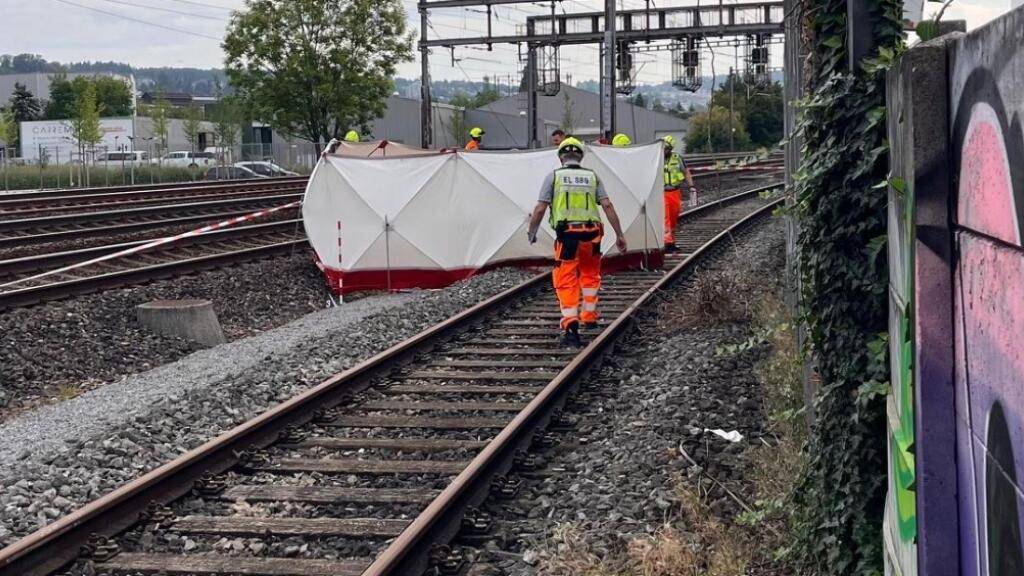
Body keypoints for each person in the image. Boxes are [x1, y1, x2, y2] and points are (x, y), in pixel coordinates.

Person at [527, 137, 628, 348]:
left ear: (560, 157)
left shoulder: (554, 177)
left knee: (565, 278)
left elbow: (539, 208)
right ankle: (589, 316)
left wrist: (532, 231)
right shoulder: (592, 177)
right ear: (580, 156)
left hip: (568, 236)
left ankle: (571, 326)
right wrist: (619, 235)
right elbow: (607, 206)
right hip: (592, 235)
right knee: (590, 274)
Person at [661, 135, 695, 253]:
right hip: (663, 193)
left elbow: (686, 172)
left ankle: (671, 241)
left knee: (674, 217)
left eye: (666, 148)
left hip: (675, 192)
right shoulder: (657, 158)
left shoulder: (677, 158)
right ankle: (668, 244)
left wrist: (691, 186)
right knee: (666, 218)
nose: (664, 151)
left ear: (670, 149)